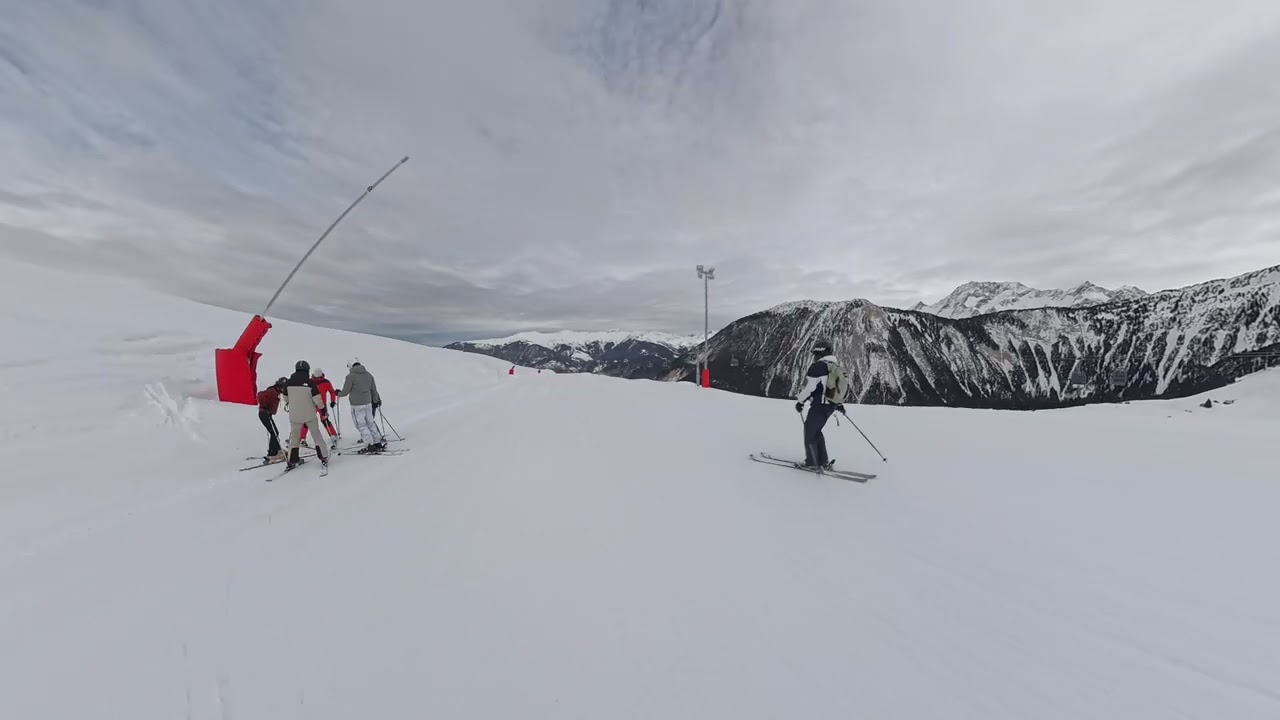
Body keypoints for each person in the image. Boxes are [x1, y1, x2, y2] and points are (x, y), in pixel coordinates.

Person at [794, 339, 847, 469]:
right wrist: (838, 404)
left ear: (820, 352)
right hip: (831, 405)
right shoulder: (835, 366)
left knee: (810, 431)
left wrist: (800, 401)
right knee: (816, 431)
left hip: (819, 406)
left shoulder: (818, 367)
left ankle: (812, 462)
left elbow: (810, 388)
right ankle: (822, 460)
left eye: (815, 353)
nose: (814, 356)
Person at [285, 360, 330, 471]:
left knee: (295, 437)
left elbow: (285, 399)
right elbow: (318, 400)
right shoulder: (310, 383)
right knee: (316, 435)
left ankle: (292, 460)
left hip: (295, 415)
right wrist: (323, 409)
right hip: (309, 414)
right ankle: (323, 457)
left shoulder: (288, 383)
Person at [337, 359, 385, 452]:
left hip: (357, 405)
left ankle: (369, 445)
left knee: (361, 425)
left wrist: (338, 393)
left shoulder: (350, 376)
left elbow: (345, 392)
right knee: (370, 423)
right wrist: (376, 400)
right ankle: (377, 442)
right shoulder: (368, 375)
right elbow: (373, 390)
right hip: (368, 403)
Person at [300, 367, 339, 449]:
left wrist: (333, 401)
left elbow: (332, 392)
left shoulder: (326, 382)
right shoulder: (310, 382)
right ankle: (302, 438)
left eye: (319, 378)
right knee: (307, 421)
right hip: (311, 404)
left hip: (322, 405)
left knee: (325, 420)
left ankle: (333, 435)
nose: (317, 379)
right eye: (316, 378)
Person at [256, 376, 288, 462]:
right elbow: (260, 395)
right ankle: (272, 453)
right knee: (274, 433)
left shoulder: (275, 391)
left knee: (275, 432)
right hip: (264, 414)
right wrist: (264, 407)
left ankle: (277, 450)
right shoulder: (272, 391)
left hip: (267, 414)